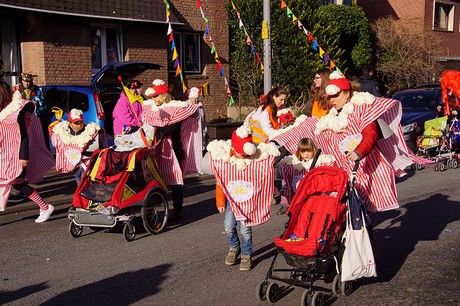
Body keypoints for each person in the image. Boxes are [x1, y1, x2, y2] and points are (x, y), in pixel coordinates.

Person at [272, 70, 430, 212]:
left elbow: (371, 134)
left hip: (362, 168)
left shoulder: (360, 109)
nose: (332, 100)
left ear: (347, 94)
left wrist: (360, 151)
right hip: (339, 172)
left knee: (357, 213)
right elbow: (309, 128)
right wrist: (277, 143)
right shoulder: (330, 118)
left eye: (336, 96)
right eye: (330, 97)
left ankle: (364, 237)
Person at [0, 81, 54, 222]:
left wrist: (23, 156)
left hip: (15, 157)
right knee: (18, 184)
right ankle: (44, 207)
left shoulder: (15, 110)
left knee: (18, 184)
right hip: (4, 156)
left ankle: (45, 207)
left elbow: (23, 134)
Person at [215, 126, 257, 271]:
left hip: (246, 201)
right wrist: (220, 201)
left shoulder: (253, 161)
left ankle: (246, 254)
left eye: (245, 154)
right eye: (241, 153)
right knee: (228, 227)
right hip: (231, 202)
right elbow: (220, 182)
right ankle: (234, 248)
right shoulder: (226, 161)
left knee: (245, 229)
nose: (243, 156)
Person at [51, 109, 103, 185]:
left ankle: (87, 195)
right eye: (76, 122)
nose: (79, 125)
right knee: (79, 182)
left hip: (87, 161)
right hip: (75, 163)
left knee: (83, 183)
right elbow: (55, 143)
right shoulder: (63, 132)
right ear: (70, 123)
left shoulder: (90, 130)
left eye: (81, 121)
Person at [188, 86, 208, 154]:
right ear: (190, 98)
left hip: (201, 132)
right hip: (192, 133)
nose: (195, 100)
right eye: (193, 98)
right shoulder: (187, 106)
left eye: (196, 98)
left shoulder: (200, 107)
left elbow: (203, 120)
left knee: (200, 150)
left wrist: (205, 130)